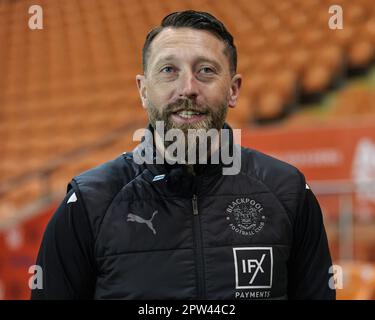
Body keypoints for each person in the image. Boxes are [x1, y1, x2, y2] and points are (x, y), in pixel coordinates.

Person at [31, 10, 336, 300]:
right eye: (168, 70)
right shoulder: (89, 202)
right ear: (143, 90)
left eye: (205, 70)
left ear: (233, 89)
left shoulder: (288, 191)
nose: (187, 88)